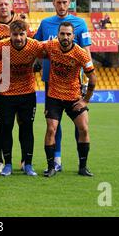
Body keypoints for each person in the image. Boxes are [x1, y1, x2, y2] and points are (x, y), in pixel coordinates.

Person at [34, 0, 92, 172]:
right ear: (53, 3)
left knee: (80, 123)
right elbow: (36, 48)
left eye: (65, 2)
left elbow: (86, 53)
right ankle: (56, 160)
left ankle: (81, 162)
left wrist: (85, 82)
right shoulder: (45, 24)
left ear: (70, 3)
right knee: (53, 124)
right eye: (58, 2)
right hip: (50, 81)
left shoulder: (80, 23)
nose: (61, 6)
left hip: (75, 83)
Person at [0, 0, 34, 173]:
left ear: (11, 6)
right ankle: (0, 160)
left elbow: (33, 46)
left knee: (24, 124)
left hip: (23, 84)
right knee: (2, 124)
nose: (3, 7)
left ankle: (24, 161)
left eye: (6, 4)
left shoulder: (21, 24)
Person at [41, 22, 97, 177]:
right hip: (54, 96)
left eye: (68, 34)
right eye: (62, 34)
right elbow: (34, 47)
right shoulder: (51, 46)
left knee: (84, 128)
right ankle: (51, 166)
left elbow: (93, 78)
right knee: (51, 129)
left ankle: (83, 167)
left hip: (74, 97)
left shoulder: (81, 53)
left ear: (73, 36)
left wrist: (85, 100)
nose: (65, 37)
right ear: (58, 34)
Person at [0, 20, 44, 176]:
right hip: (6, 94)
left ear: (27, 33)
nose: (18, 38)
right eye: (15, 34)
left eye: (21, 34)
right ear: (10, 34)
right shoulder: (2, 46)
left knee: (27, 128)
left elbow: (51, 52)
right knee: (6, 127)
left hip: (27, 94)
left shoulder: (34, 45)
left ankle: (28, 164)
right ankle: (8, 164)